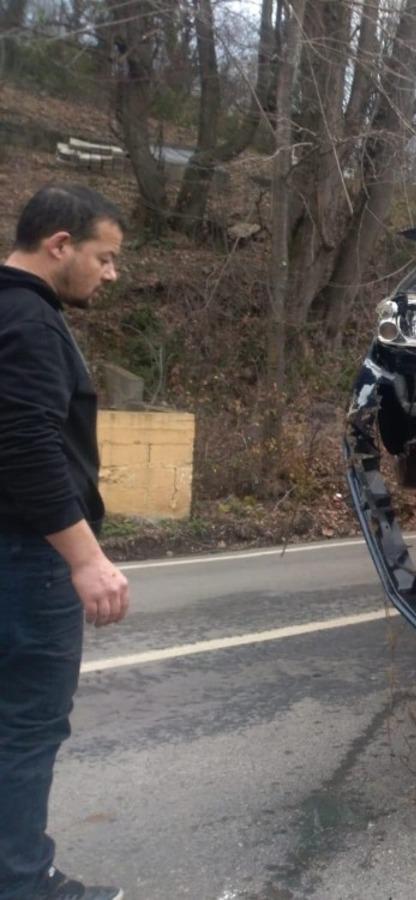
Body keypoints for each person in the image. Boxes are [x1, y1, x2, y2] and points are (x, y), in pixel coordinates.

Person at [1, 186, 130, 900]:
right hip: (27, 559)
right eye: (103, 257)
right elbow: (25, 448)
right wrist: (86, 558)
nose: (110, 273)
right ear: (59, 245)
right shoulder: (30, 322)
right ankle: (21, 884)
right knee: (25, 728)